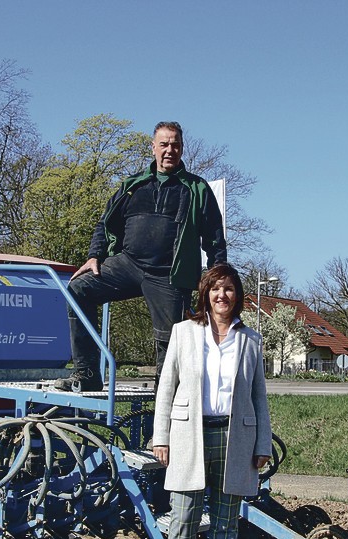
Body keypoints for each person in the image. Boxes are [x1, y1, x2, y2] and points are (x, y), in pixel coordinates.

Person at [62, 121, 228, 391]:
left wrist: (218, 276)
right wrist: (95, 256)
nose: (169, 150)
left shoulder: (196, 189)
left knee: (170, 340)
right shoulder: (132, 185)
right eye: (164, 144)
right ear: (153, 148)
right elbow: (105, 224)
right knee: (78, 289)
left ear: (182, 148)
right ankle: (87, 373)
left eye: (175, 144)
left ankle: (165, 401)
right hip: (127, 264)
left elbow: (214, 237)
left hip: (169, 274)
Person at [151, 264, 272, 539]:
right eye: (216, 288)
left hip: (234, 437)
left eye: (230, 289)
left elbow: (259, 396)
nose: (222, 295)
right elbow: (167, 388)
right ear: (205, 293)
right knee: (184, 516)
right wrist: (162, 437)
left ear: (238, 297)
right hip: (190, 434)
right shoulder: (184, 333)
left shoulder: (250, 339)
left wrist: (261, 442)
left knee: (225, 519)